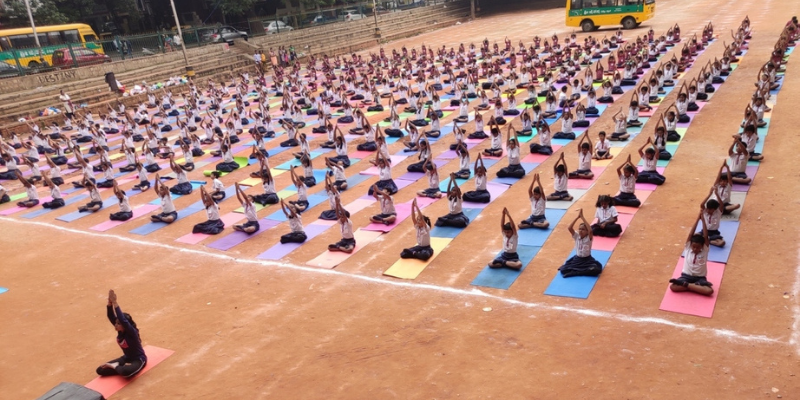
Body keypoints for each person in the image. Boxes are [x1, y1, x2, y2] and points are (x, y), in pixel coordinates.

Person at [96, 290, 147, 378]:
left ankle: (116, 367)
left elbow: (123, 320)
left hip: (138, 359)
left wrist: (115, 303)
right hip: (127, 358)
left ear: (125, 325)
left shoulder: (132, 333)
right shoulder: (120, 331)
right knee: (100, 369)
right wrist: (110, 303)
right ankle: (119, 368)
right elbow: (111, 316)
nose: (116, 325)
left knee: (126, 372)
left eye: (118, 324)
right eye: (116, 323)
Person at [668, 212, 714, 296]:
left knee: (709, 291)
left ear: (702, 246)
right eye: (694, 247)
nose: (695, 249)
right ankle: (695, 287)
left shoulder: (705, 251)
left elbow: (706, 236)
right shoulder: (688, 249)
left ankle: (687, 285)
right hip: (686, 276)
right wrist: (697, 219)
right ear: (691, 245)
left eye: (698, 247)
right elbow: (690, 234)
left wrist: (703, 220)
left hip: (700, 278)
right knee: (673, 287)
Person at [558, 209, 603, 277]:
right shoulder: (577, 236)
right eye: (580, 229)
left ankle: (577, 272)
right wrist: (577, 217)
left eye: (583, 229)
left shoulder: (588, 238)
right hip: (578, 259)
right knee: (563, 270)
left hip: (587, 259)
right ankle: (580, 271)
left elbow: (590, 231)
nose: (581, 231)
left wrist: (582, 217)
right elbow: (570, 228)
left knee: (597, 269)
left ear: (587, 232)